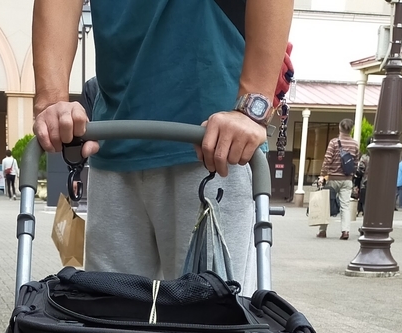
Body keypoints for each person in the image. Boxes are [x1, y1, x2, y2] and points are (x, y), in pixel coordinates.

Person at [32, 0, 293, 295]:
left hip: (216, 142)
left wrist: (252, 104)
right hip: (114, 139)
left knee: (216, 322)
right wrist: (51, 98)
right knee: (108, 320)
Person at [316, 118, 359, 241]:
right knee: (345, 206)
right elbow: (355, 163)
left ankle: (322, 231)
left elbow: (327, 160)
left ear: (340, 128)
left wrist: (323, 175)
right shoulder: (355, 144)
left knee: (326, 204)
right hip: (347, 179)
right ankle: (345, 231)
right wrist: (352, 175)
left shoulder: (334, 142)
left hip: (333, 178)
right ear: (351, 129)